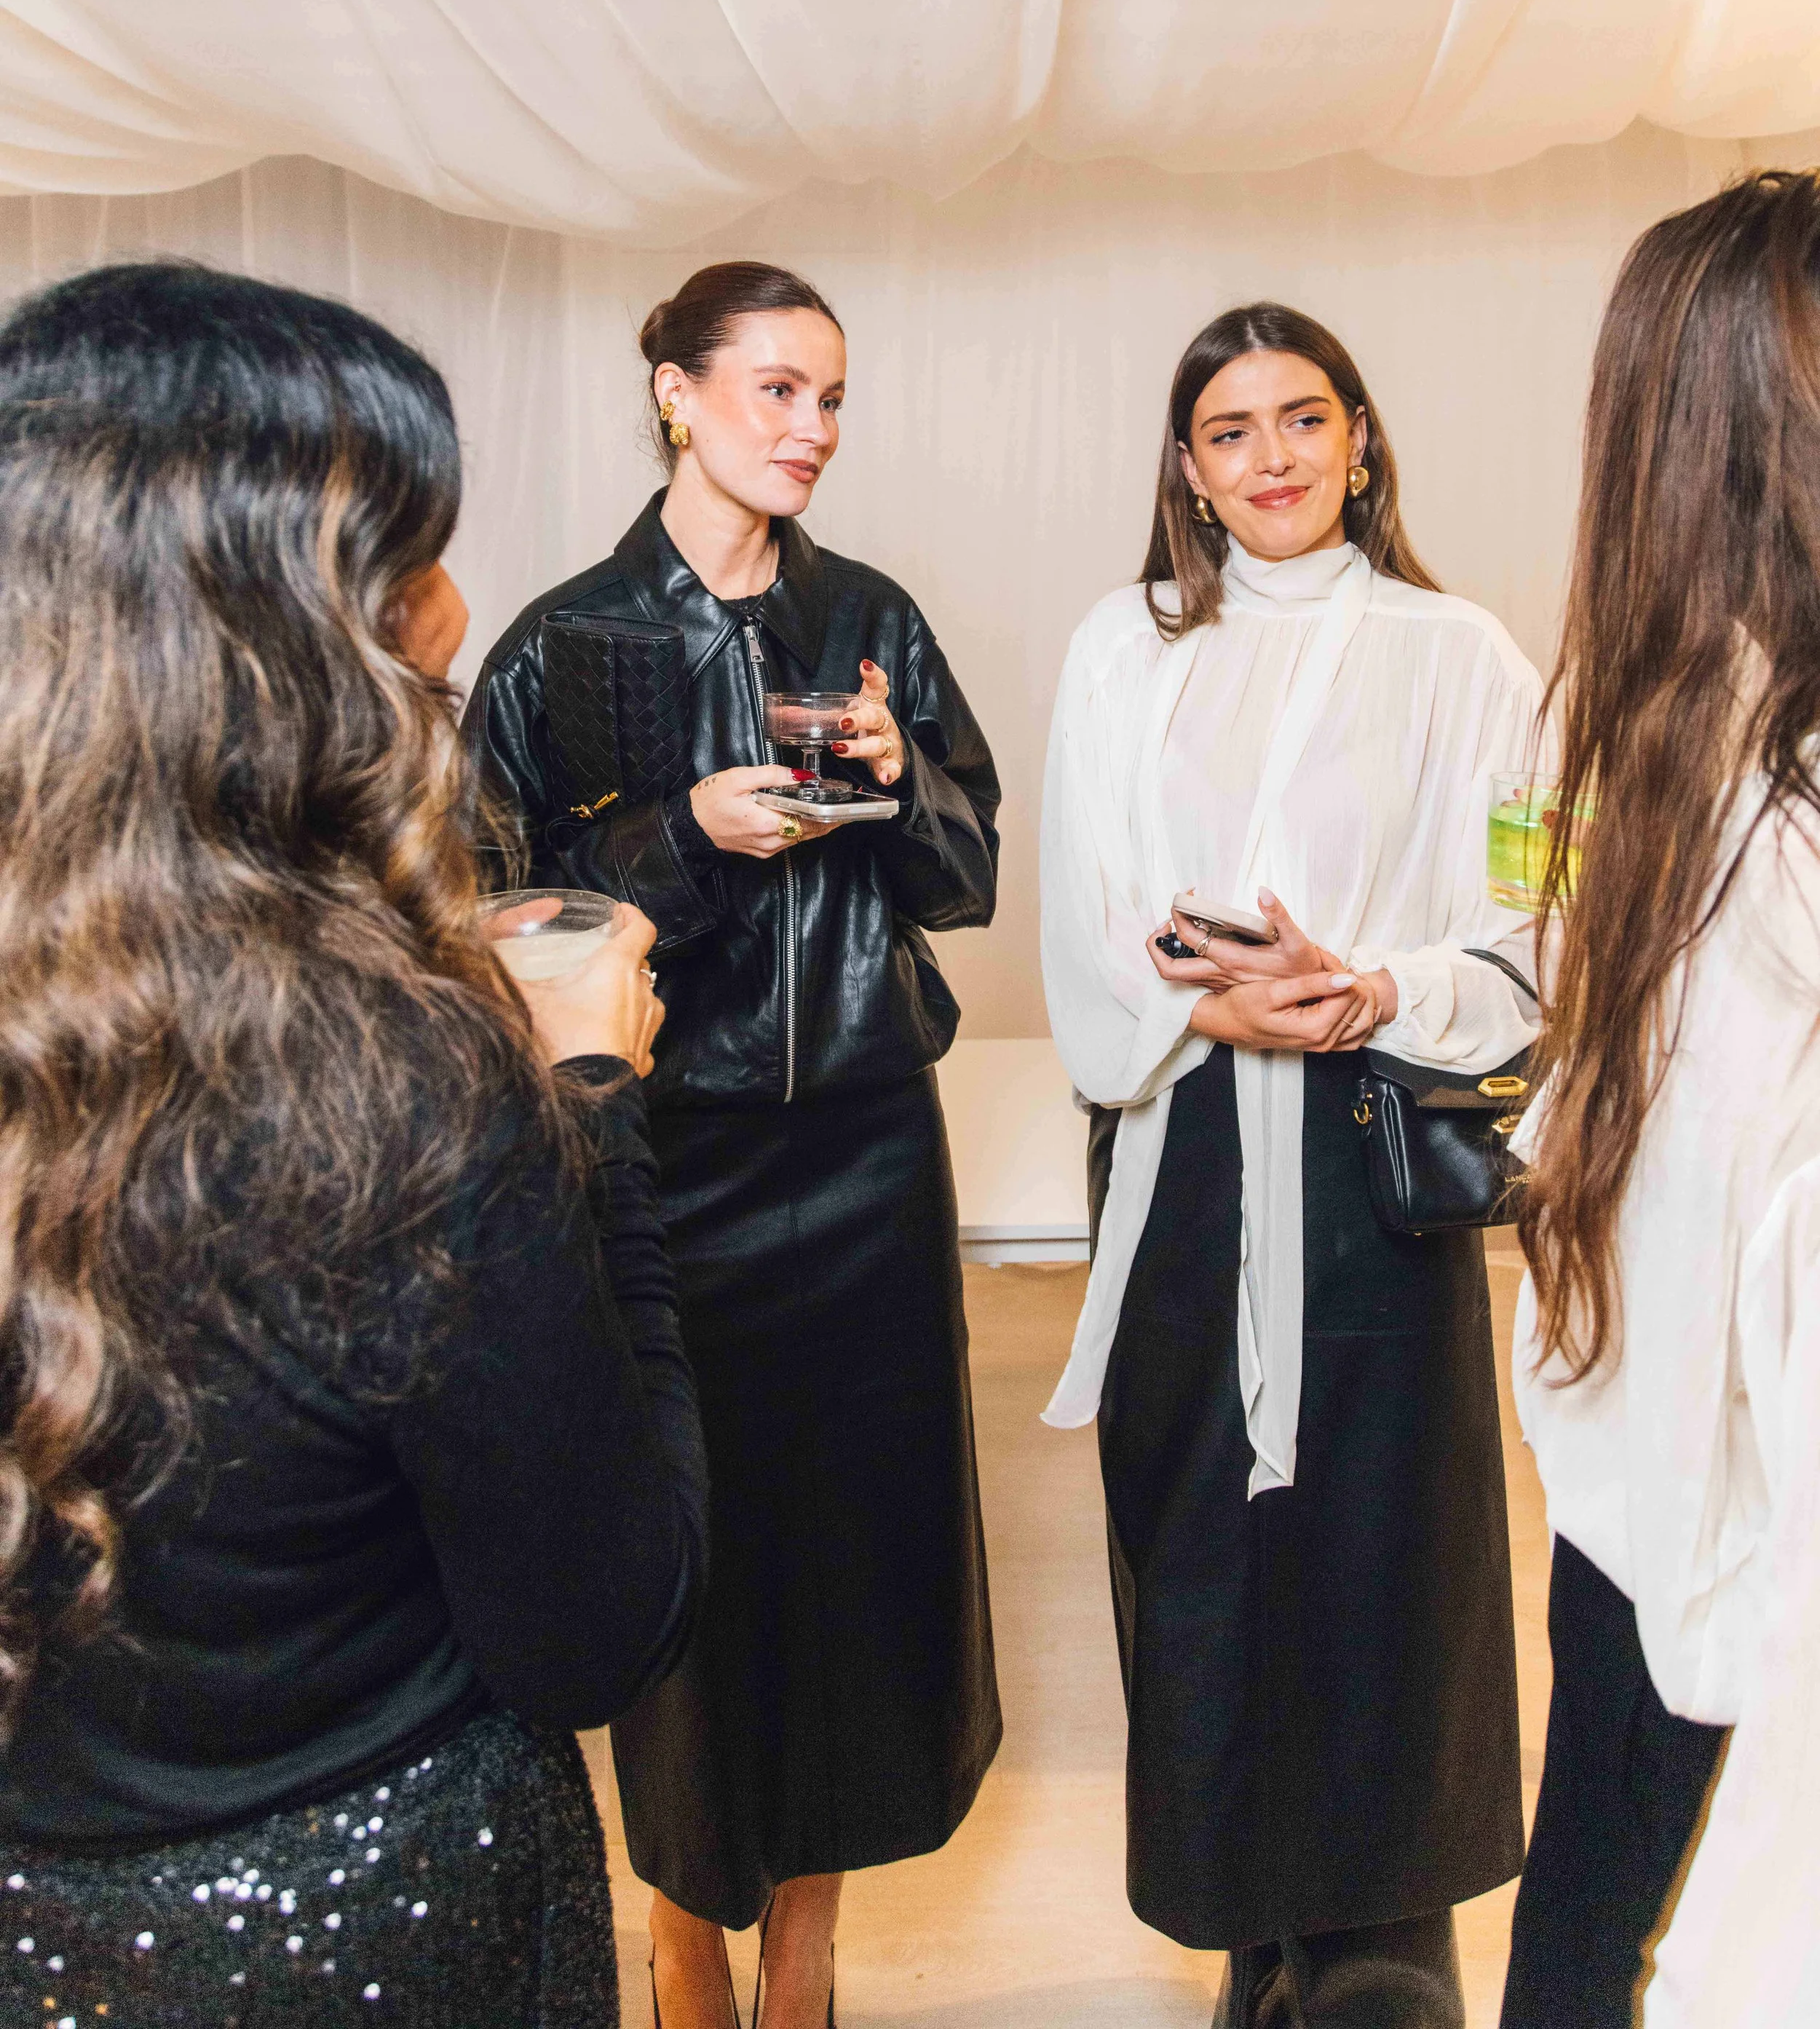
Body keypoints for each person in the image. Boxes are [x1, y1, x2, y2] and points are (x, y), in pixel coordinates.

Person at [0, 262, 705, 2029]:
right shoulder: (398, 1092)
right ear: (261, 633)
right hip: (374, 1917)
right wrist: (591, 1114)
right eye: (406, 567)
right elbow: (599, 1625)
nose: (455, 615)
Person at [465, 259, 1002, 2029]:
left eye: (831, 396)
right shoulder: (558, 642)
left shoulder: (873, 616)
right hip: (657, 1155)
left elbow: (968, 873)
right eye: (775, 389)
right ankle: (684, 1916)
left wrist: (895, 772)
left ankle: (812, 1930)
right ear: (675, 393)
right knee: (686, 1536)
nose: (810, 428)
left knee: (855, 1540)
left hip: (861, 1149)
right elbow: (494, 920)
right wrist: (683, 834)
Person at [1042, 303, 1539, 2029]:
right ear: (1185, 465)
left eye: (1301, 418)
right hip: (1176, 1157)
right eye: (1230, 428)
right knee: (1202, 1550)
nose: (1270, 457)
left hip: (1364, 1161)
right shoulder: (1122, 645)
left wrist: (1371, 988)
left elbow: (1523, 926)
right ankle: (1257, 1938)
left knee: (1381, 1548)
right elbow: (1088, 904)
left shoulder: (1465, 654)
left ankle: (1385, 1962)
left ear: (1358, 438)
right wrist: (1206, 1008)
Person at [1502, 171, 1820, 2028]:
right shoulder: (1692, 740)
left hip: (1651, 1400)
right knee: (1613, 1885)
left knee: (1599, 1884)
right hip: (1688, 1407)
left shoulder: (1636, 702)